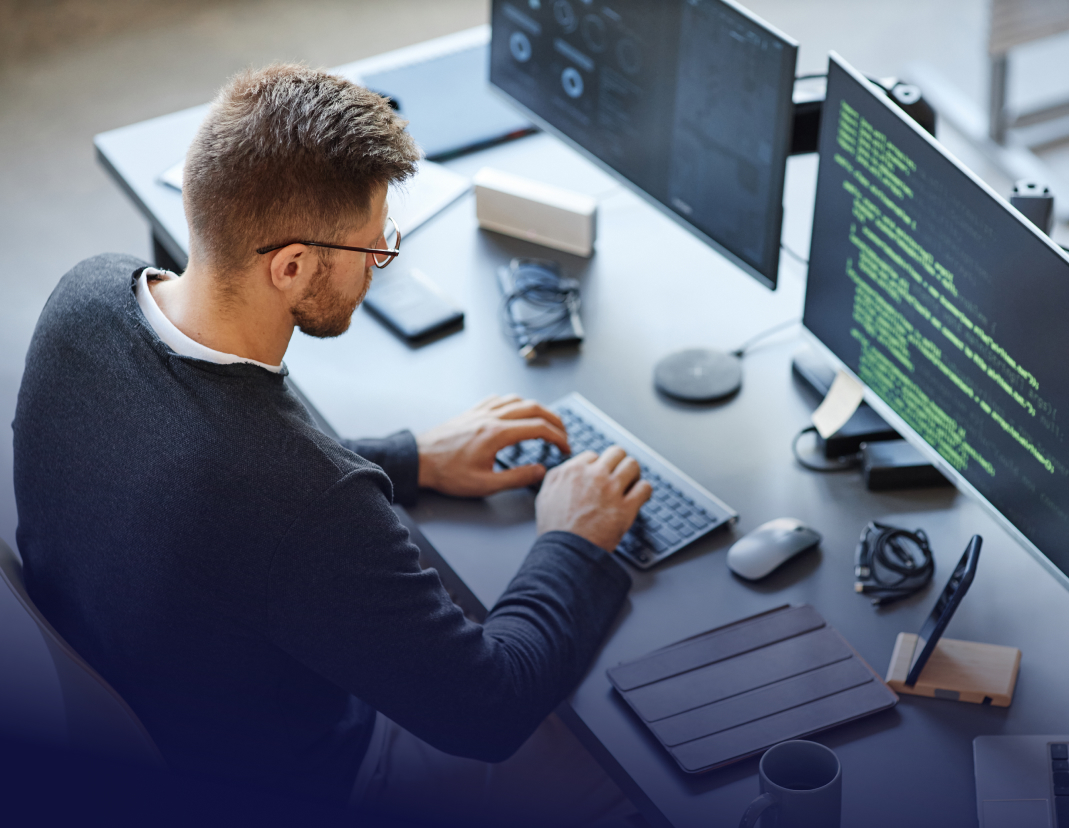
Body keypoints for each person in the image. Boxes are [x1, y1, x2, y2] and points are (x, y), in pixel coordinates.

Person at [12, 64, 650, 827]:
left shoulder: (85, 297)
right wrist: (572, 540)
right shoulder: (306, 504)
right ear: (290, 266)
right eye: (372, 249)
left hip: (160, 716)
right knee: (624, 762)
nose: (380, 261)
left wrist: (414, 456)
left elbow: (200, 455)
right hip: (312, 785)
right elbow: (487, 709)